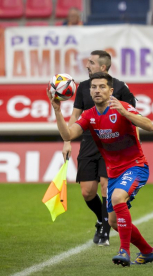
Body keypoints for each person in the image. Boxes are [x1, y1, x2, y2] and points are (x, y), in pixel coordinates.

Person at [48, 72, 153, 267]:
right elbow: (69, 133)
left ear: (111, 90)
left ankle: (124, 250)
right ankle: (148, 251)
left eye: (102, 87)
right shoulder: (89, 115)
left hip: (135, 166)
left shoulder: (122, 107)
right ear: (89, 91)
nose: (97, 90)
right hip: (114, 172)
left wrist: (126, 114)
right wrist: (57, 111)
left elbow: (149, 126)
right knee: (114, 222)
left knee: (116, 198)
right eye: (93, 87)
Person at [63, 50, 136, 246]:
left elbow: (133, 117)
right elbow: (75, 115)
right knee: (87, 192)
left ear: (103, 67)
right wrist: (67, 141)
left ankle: (105, 230)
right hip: (88, 142)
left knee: (105, 186)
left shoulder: (120, 88)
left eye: (91, 62)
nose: (87, 65)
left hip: (112, 144)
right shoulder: (83, 87)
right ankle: (100, 218)